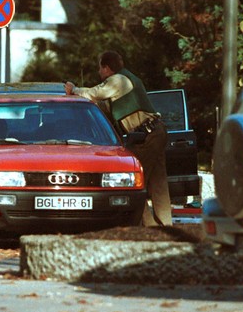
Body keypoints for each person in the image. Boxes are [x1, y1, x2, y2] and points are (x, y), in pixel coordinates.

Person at [64, 51, 172, 227]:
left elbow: (95, 93)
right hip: (154, 131)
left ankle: (149, 227)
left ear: (107, 68)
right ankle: (166, 227)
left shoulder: (118, 80)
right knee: (158, 183)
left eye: (100, 68)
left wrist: (74, 90)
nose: (99, 73)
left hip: (146, 135)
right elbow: (105, 106)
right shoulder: (125, 81)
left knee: (134, 180)